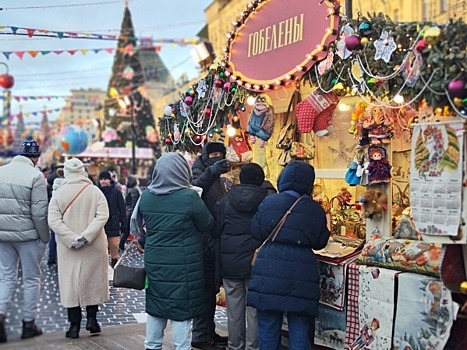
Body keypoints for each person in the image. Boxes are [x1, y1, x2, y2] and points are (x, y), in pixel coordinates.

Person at [134, 152, 214, 350]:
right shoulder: (189, 197)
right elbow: (208, 225)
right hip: (184, 263)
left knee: (156, 306)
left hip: (155, 261)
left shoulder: (146, 197)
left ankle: (152, 345)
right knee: (182, 310)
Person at [247, 161, 330, 350]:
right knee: (299, 326)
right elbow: (321, 242)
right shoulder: (314, 209)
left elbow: (256, 231)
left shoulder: (269, 202)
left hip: (269, 267)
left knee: (268, 324)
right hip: (302, 270)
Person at [48, 158, 110, 339]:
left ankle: (73, 326)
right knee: (92, 281)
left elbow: (53, 220)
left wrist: (71, 238)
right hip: (94, 245)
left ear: (66, 172)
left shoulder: (59, 194)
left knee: (71, 284)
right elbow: (103, 215)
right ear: (83, 171)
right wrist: (87, 236)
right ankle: (92, 320)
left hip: (69, 249)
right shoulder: (94, 191)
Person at [213, 163, 268, 350]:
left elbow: (216, 230)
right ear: (261, 180)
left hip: (230, 263)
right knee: (254, 310)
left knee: (234, 310)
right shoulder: (266, 201)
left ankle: (235, 346)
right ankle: (254, 347)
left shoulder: (224, 202)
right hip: (256, 263)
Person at [0, 136, 50, 343]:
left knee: (6, 276)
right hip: (28, 236)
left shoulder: (1, 171)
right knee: (31, 279)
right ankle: (28, 323)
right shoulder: (36, 176)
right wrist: (44, 237)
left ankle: (0, 319)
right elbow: (39, 213)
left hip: (3, 235)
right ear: (36, 158)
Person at [191, 141, 230, 350]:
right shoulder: (199, 169)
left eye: (220, 154)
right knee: (204, 290)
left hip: (213, 240)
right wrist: (212, 171)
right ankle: (200, 335)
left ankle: (208, 331)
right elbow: (196, 186)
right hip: (202, 242)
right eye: (213, 154)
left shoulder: (220, 178)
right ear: (206, 155)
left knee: (210, 290)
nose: (216, 157)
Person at [98, 170, 127, 268]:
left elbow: (122, 209)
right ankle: (103, 269)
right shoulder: (97, 192)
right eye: (101, 179)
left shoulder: (116, 192)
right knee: (102, 249)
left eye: (105, 179)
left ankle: (114, 265)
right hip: (100, 224)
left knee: (114, 246)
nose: (103, 181)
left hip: (113, 224)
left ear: (110, 180)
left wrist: (124, 225)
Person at [46, 165, 64, 266]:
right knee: (63, 236)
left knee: (53, 235)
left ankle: (51, 257)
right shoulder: (66, 183)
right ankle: (61, 257)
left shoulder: (52, 181)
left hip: (54, 211)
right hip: (64, 211)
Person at [119, 175, 141, 251]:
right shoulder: (134, 190)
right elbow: (134, 202)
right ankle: (121, 244)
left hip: (128, 211)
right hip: (132, 212)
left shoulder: (128, 189)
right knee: (128, 229)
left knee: (127, 229)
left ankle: (121, 244)